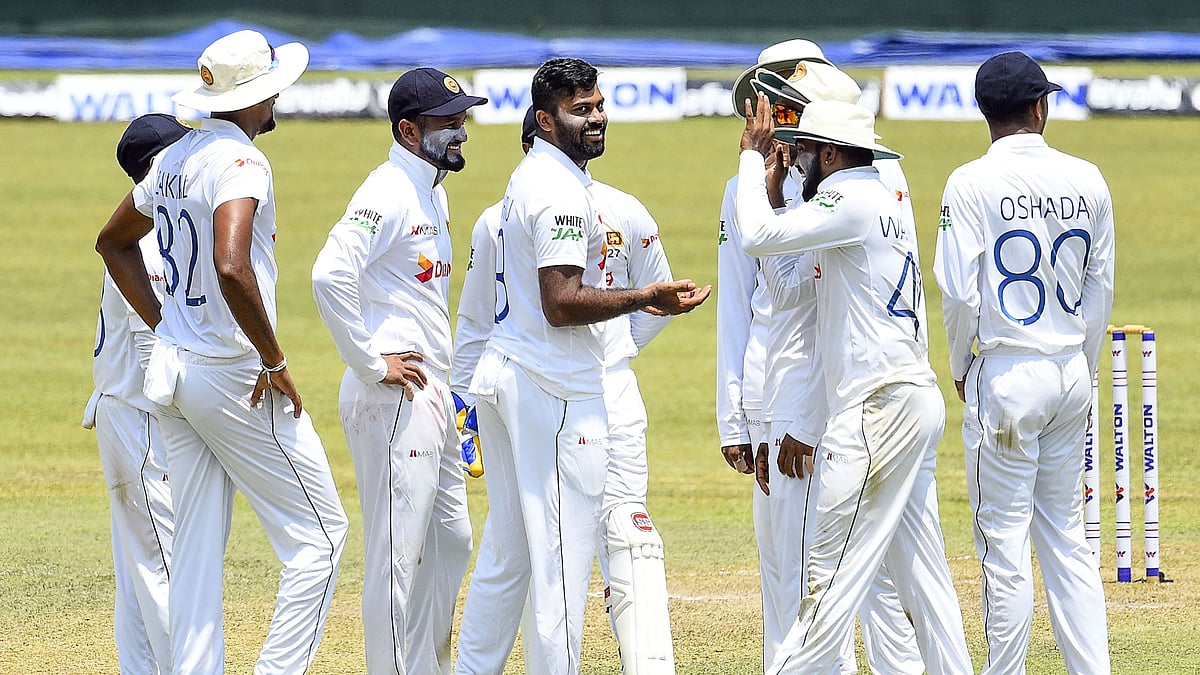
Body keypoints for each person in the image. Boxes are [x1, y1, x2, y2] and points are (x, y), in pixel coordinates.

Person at [95, 30, 348, 675]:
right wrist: (273, 358)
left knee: (196, 558)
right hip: (231, 375)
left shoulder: (175, 156)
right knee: (320, 539)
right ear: (256, 96)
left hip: (173, 375)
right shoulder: (242, 162)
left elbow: (112, 242)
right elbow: (233, 266)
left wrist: (167, 321)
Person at [454, 58, 708, 675]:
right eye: (581, 110)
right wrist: (645, 300)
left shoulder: (530, 187)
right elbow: (561, 303)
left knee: (513, 547)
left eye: (598, 106)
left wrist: (619, 346)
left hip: (531, 375)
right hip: (557, 387)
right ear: (544, 121)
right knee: (563, 561)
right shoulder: (561, 193)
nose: (596, 120)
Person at [736, 97, 973, 674]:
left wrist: (750, 160)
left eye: (807, 152)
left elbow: (755, 237)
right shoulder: (884, 196)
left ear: (834, 153)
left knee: (829, 578)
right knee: (923, 575)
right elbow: (791, 287)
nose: (797, 162)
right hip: (910, 397)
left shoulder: (850, 196)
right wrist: (774, 192)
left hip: (876, 407)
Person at [723, 41, 923, 673]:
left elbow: (809, 311)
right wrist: (743, 419)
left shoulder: (847, 180)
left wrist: (800, 420)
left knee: (821, 587)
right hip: (833, 403)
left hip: (833, 409)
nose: (768, 120)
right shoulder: (812, 177)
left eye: (775, 104)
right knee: (865, 583)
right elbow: (758, 300)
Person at [933, 51, 1114, 675]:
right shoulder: (1088, 177)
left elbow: (958, 291)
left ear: (985, 112)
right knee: (1069, 542)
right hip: (1068, 370)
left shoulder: (969, 181)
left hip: (1007, 374)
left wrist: (961, 362)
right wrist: (1081, 366)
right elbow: (1101, 287)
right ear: (1040, 107)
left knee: (1003, 549)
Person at [310, 67, 485, 674]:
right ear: (409, 130)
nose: (460, 132)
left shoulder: (433, 189)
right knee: (395, 557)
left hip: (430, 390)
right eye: (447, 123)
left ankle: (422, 666)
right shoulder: (386, 190)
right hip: (392, 396)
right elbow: (328, 273)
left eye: (462, 120)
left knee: (454, 538)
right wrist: (368, 362)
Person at [84, 113, 188, 674]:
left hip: (125, 413)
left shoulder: (152, 230)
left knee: (139, 569)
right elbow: (157, 352)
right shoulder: (146, 241)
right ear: (155, 169)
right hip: (144, 416)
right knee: (164, 568)